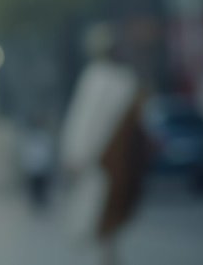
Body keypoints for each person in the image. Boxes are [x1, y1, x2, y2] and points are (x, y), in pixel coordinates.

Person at [60, 24, 148, 265]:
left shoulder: (125, 78)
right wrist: (76, 154)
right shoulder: (95, 77)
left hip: (121, 156)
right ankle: (106, 253)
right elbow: (84, 118)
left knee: (116, 206)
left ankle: (110, 252)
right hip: (99, 158)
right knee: (97, 208)